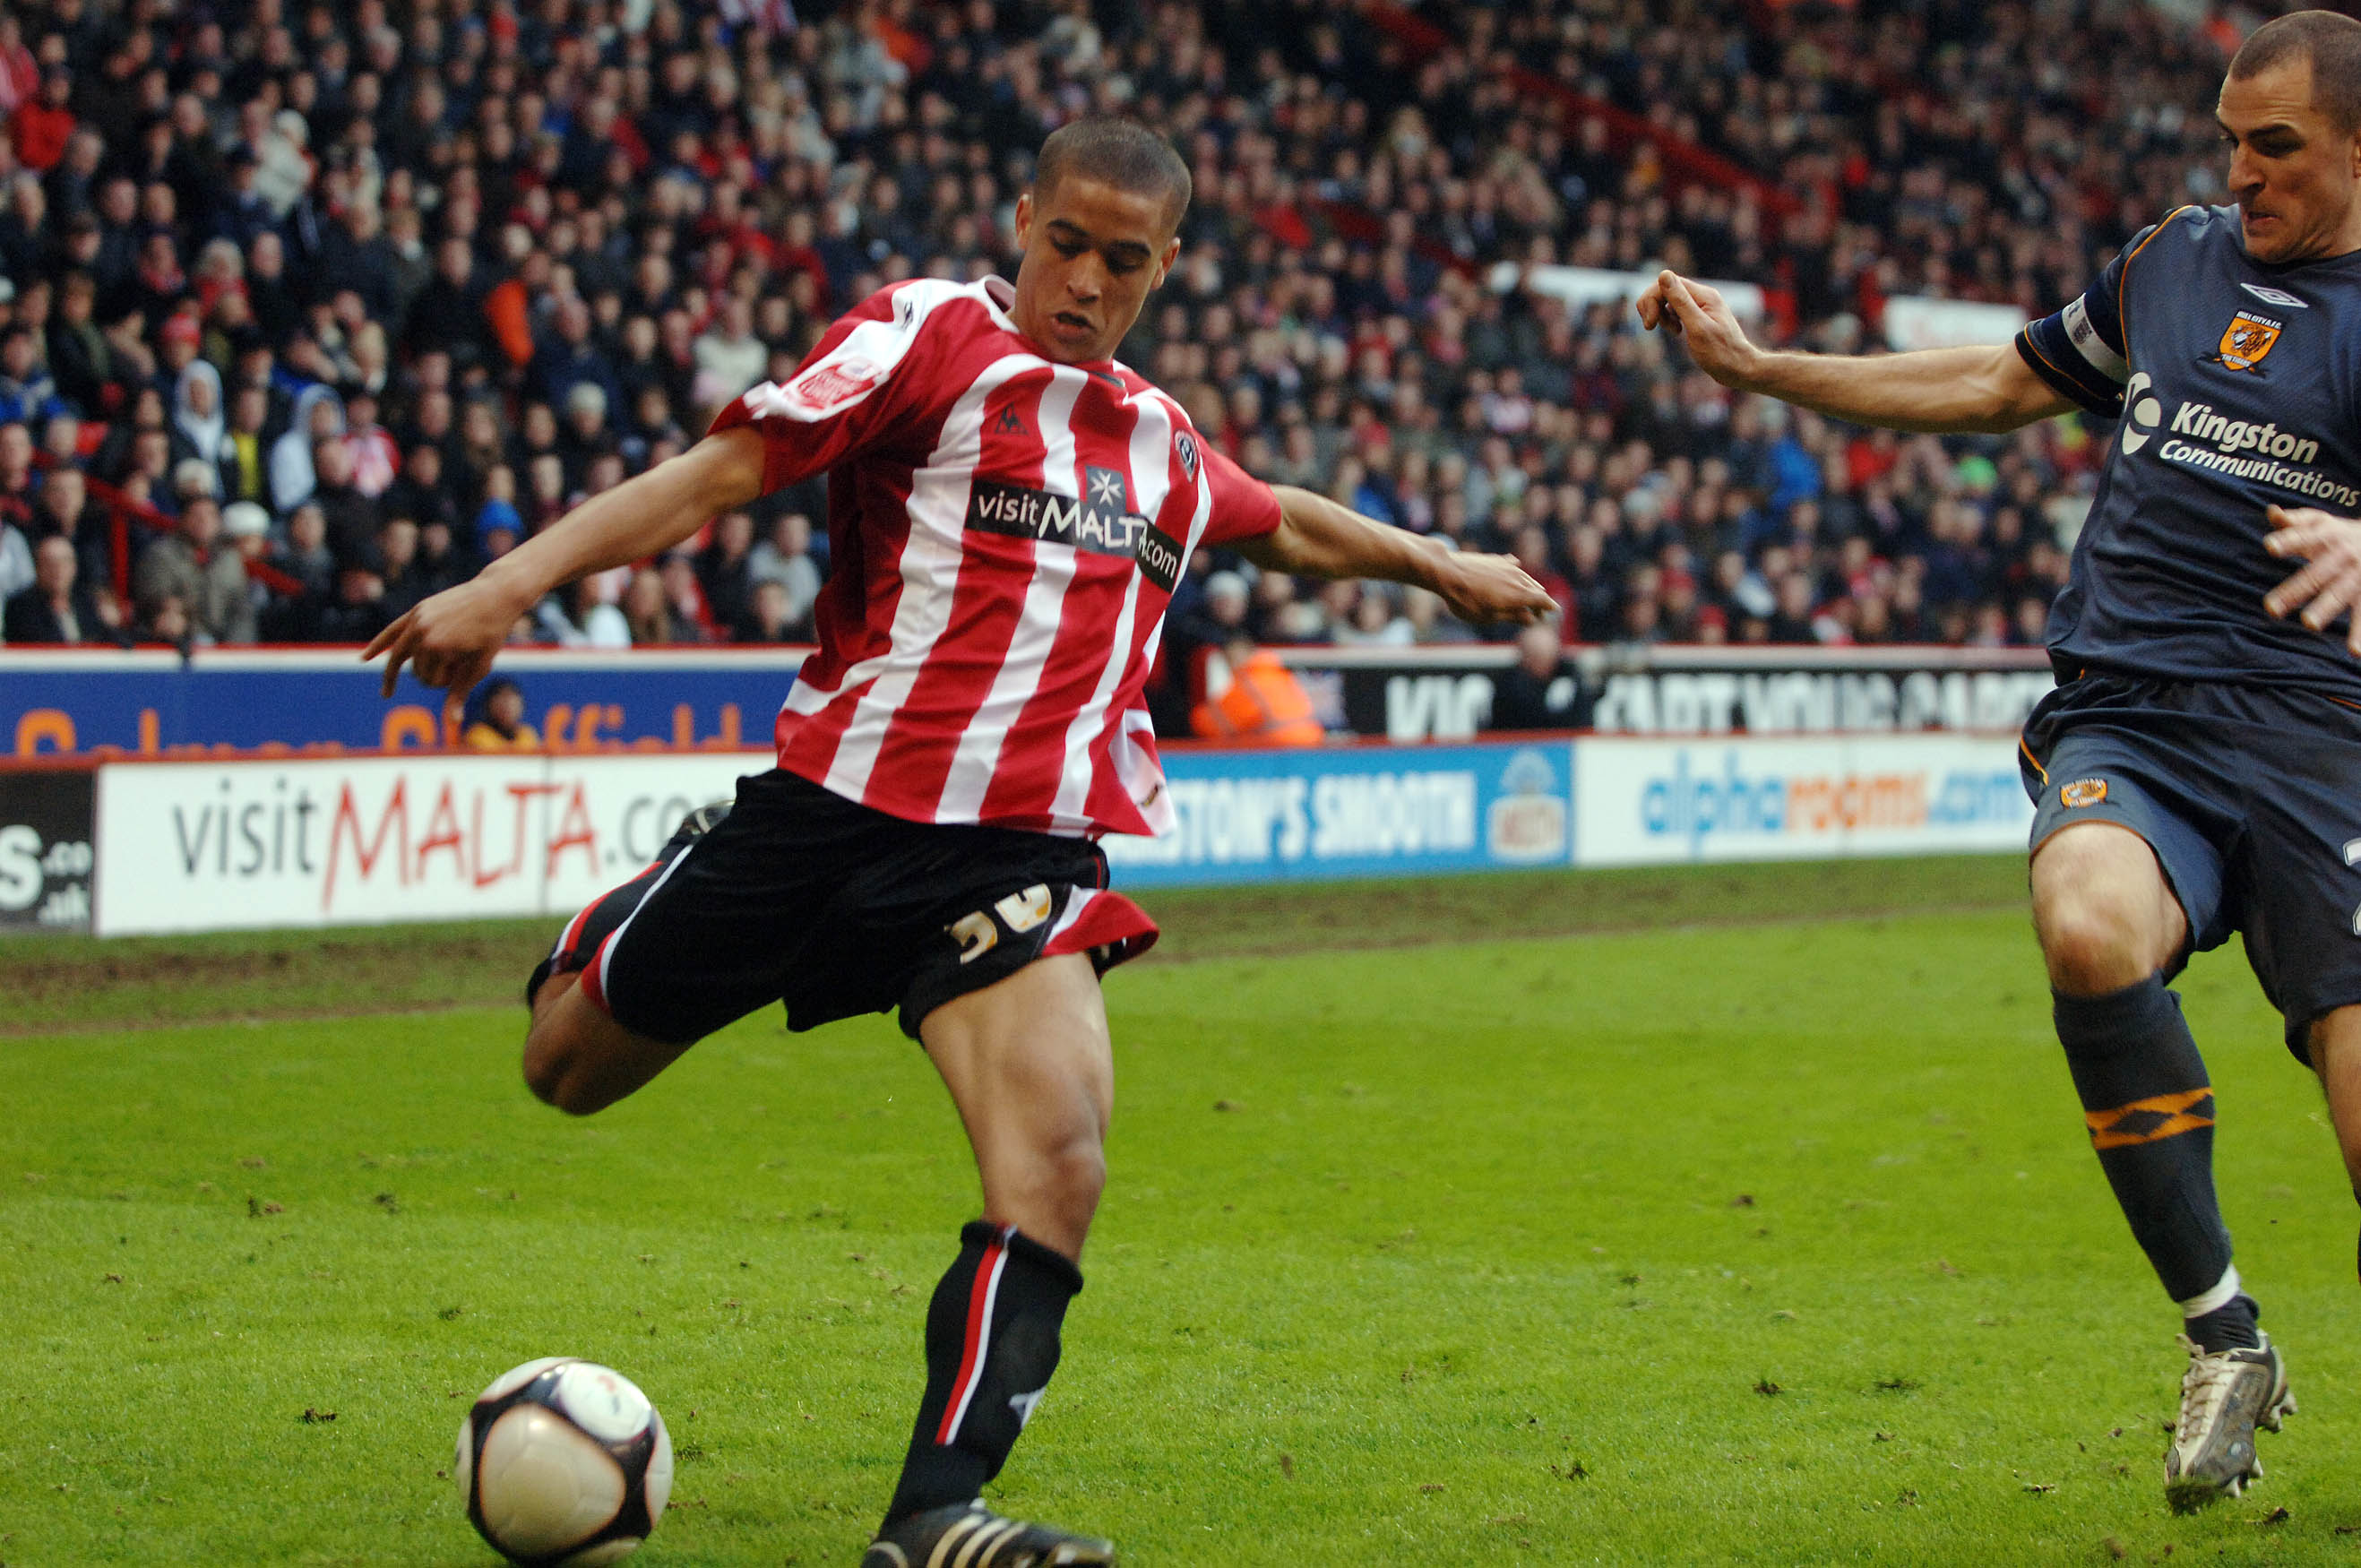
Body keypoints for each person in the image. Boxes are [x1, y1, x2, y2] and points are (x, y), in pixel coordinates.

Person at [366, 117, 1551, 1567]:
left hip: (1015, 861)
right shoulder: (925, 339)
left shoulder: (1161, 443)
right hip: (827, 821)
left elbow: (1280, 521)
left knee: (1060, 1154)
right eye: (1066, 243)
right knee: (564, 1069)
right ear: (1022, 221)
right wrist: (511, 584)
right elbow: (726, 470)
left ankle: (935, 1517)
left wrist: (1436, 562)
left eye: (1125, 261)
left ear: (1165, 269)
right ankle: (641, 908)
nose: (1085, 282)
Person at [1637, 9, 2361, 1512]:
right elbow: (2000, 381)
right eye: (2232, 135)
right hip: (2139, 709)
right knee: (2087, 917)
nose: (2242, 169)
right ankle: (2223, 1332)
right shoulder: (2175, 259)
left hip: (2326, 747)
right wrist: (1767, 371)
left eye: (2276, 145)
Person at [462, 676, 540, 750]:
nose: (507, 706)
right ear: (489, 705)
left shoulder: (528, 736)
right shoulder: (478, 735)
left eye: (513, 704)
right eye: (502, 701)